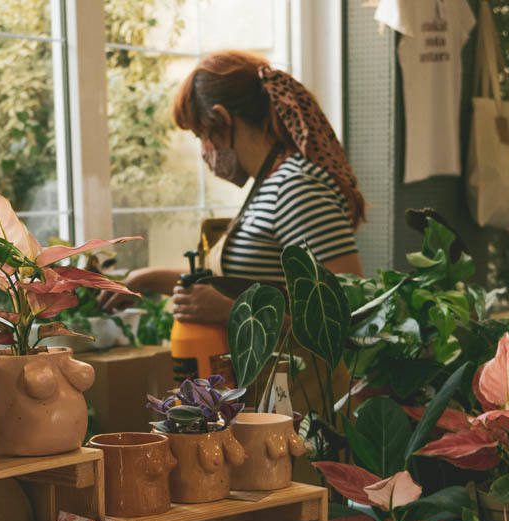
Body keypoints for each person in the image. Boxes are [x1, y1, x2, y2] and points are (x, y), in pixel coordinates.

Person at [100, 50, 364, 327]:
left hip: (298, 371)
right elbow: (238, 283)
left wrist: (231, 311)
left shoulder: (296, 187)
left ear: (222, 120)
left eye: (200, 135)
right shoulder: (268, 186)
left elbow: (347, 310)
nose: (203, 151)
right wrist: (143, 280)